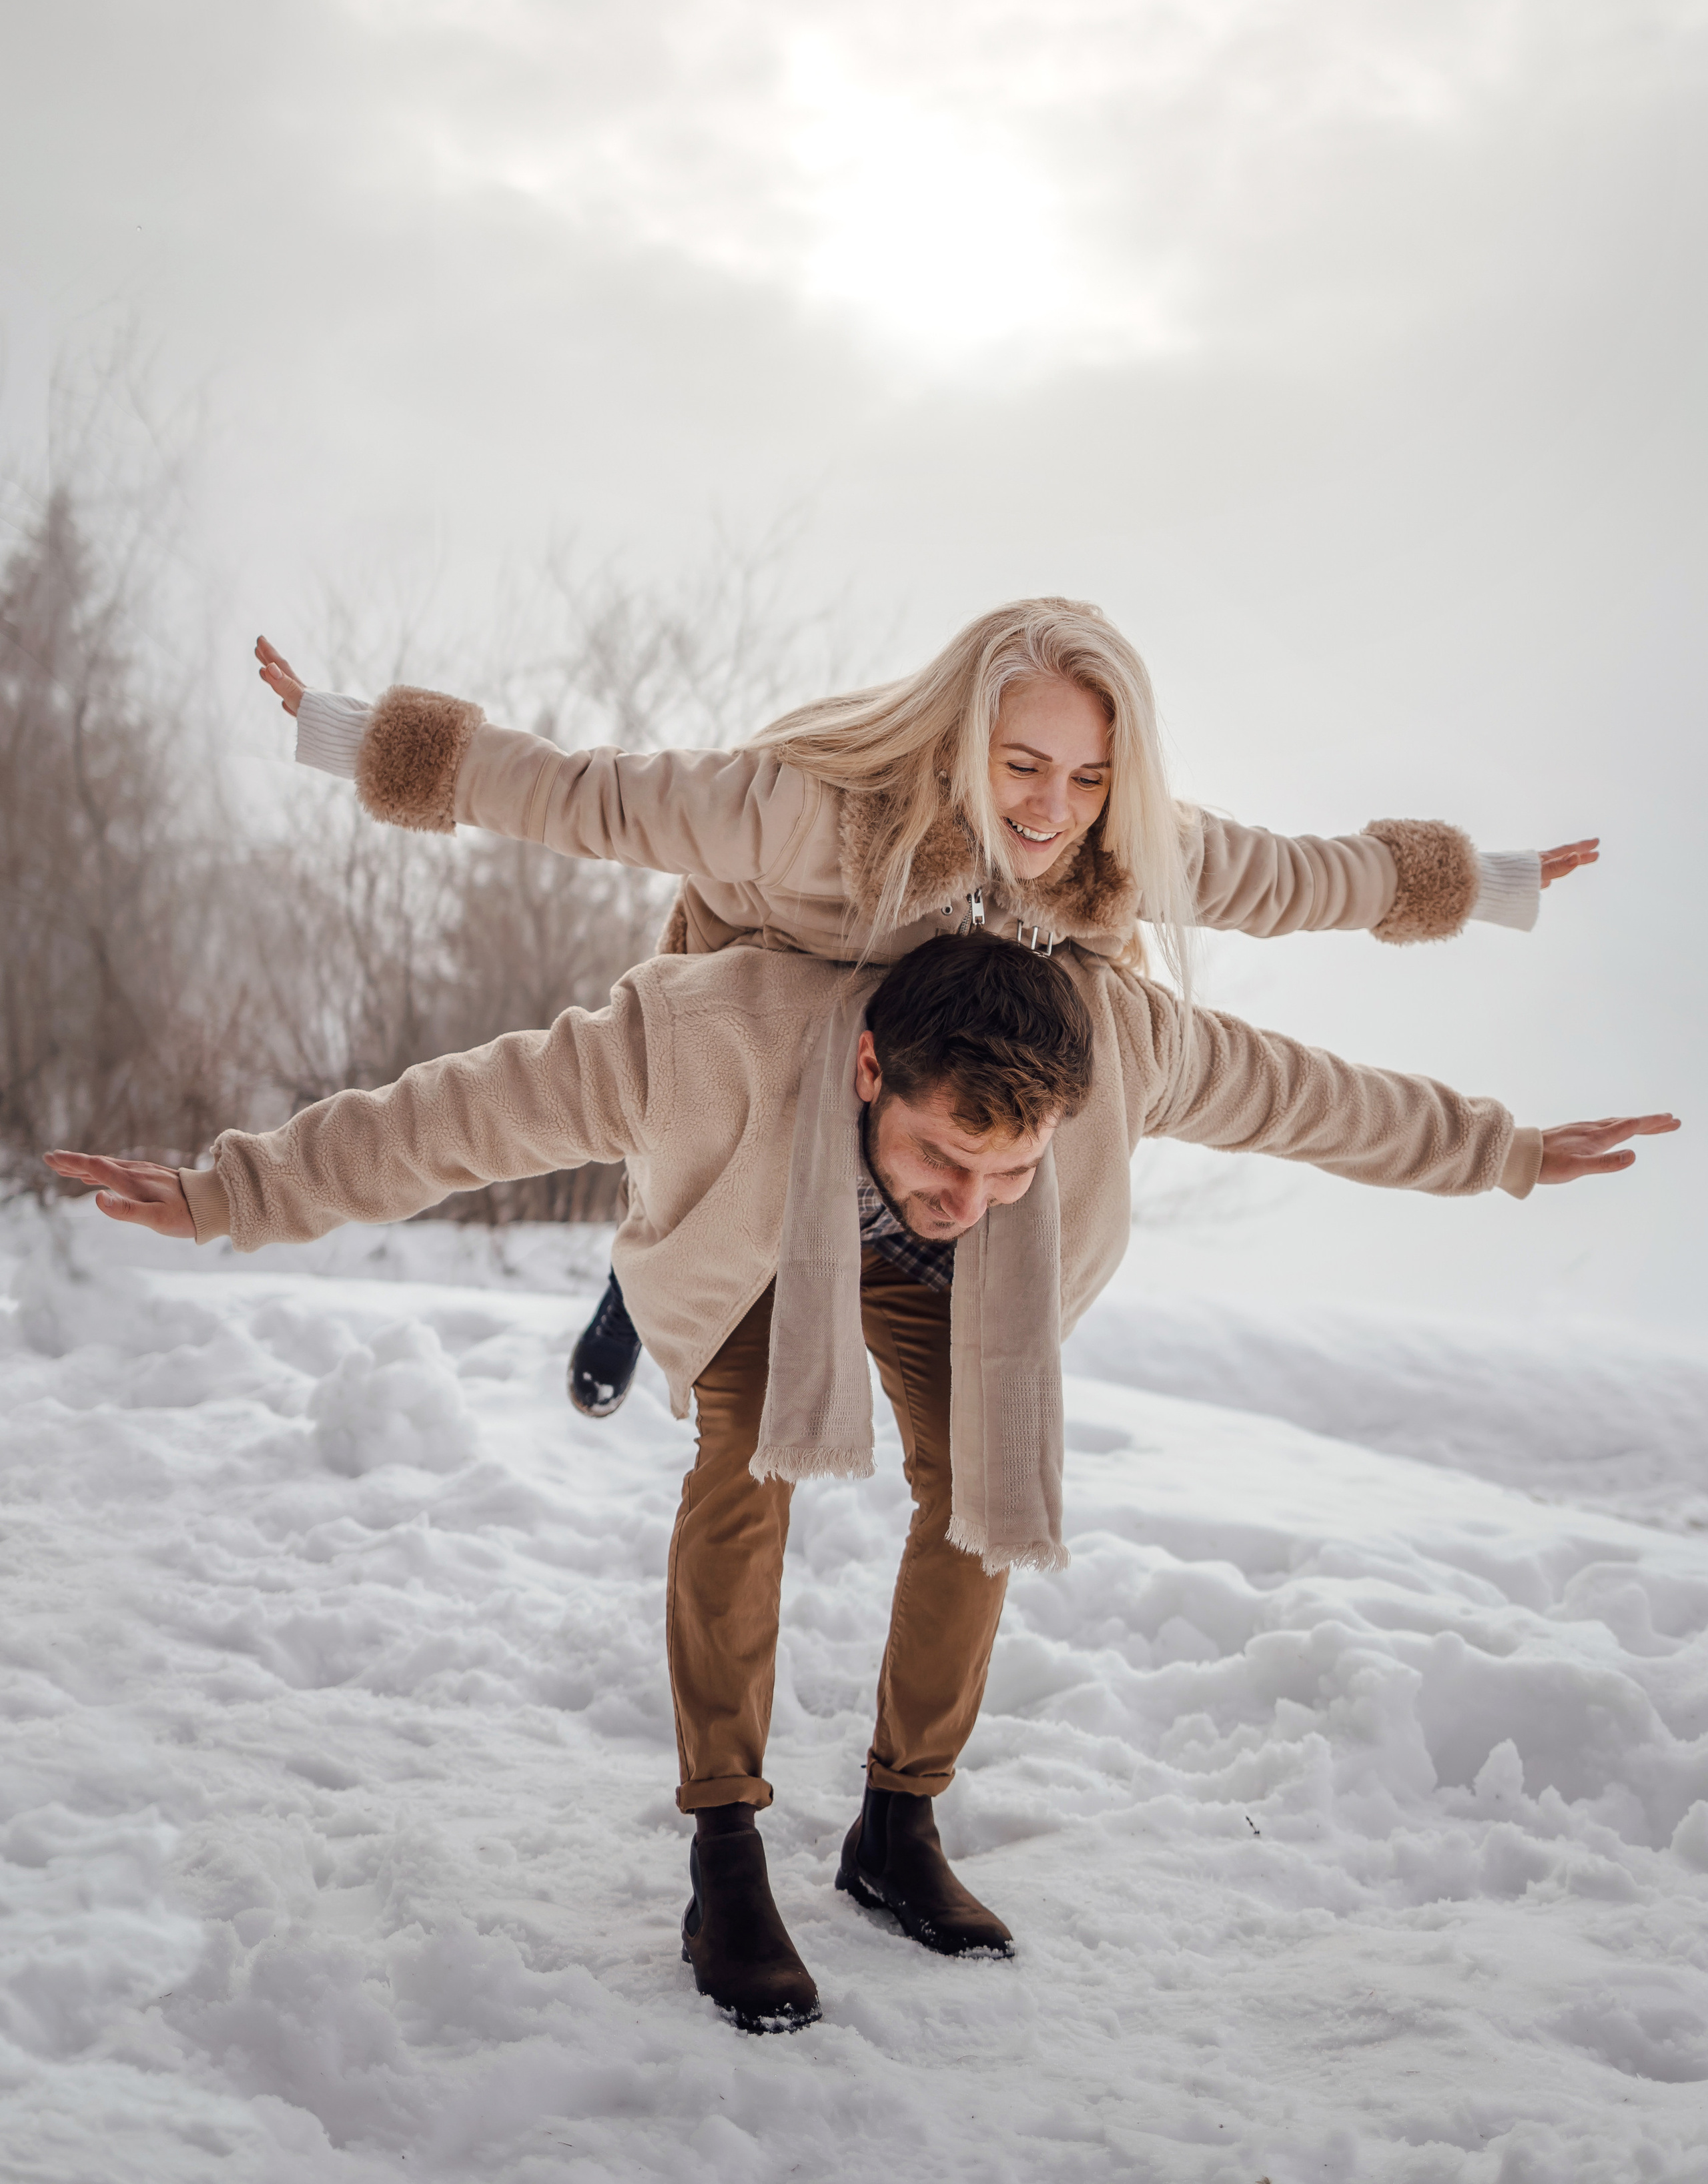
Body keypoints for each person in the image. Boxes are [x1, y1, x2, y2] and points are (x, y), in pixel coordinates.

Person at [45, 931, 1675, 2034]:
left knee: (982, 1481)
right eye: (942, 1155)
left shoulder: (1124, 1052)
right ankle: (724, 1845)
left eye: (1009, 1170)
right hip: (758, 1246)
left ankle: (897, 1821)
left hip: (897, 1291)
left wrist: (1508, 1148)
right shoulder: (715, 1033)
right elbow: (461, 1111)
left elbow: (1315, 1096)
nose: (974, 1192)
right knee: (746, 1457)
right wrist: (225, 1192)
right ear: (869, 1066)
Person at [255, 600, 1598, 1419]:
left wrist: (1488, 883)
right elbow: (588, 795)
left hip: (947, 1044)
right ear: (963, 742)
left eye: (1085, 776)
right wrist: (349, 730)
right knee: (721, 1191)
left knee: (921, 1183)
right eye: (1021, 765)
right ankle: (634, 1285)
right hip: (783, 1004)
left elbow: (1314, 880)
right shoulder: (812, 811)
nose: (1047, 807)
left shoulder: (1114, 846)